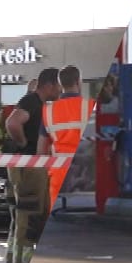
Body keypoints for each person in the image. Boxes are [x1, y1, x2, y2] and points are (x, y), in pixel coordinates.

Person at [1, 65, 63, 263]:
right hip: (29, 167)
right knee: (29, 219)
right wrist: (24, 143)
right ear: (49, 85)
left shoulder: (40, 104)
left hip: (31, 167)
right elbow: (13, 123)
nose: (61, 91)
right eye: (59, 86)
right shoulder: (31, 101)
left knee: (22, 218)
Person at [44, 66, 92, 210]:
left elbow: (42, 150)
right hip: (85, 181)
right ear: (78, 81)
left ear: (60, 85)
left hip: (57, 176)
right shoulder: (89, 107)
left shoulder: (48, 111)